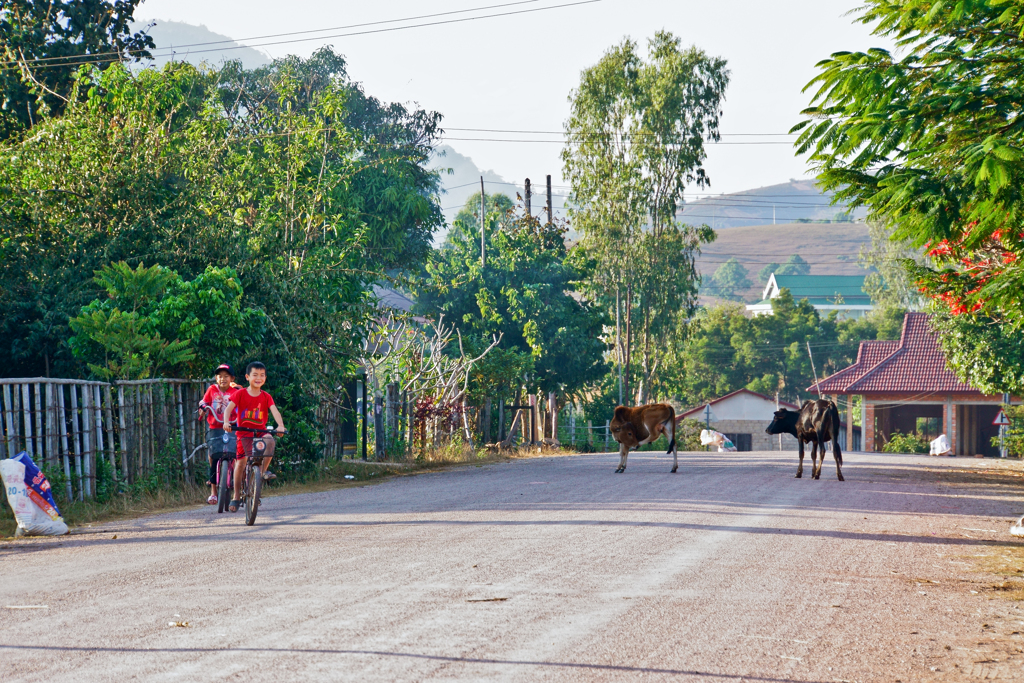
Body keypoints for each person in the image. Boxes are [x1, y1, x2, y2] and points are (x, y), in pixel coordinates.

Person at [223, 361, 286, 513]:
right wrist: (226, 422)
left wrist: (280, 426)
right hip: (243, 433)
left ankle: (262, 473)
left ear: (265, 378)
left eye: (262, 375)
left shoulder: (266, 396)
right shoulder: (240, 393)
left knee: (270, 440)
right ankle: (237, 496)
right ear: (247, 377)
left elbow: (275, 412)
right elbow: (228, 409)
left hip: (260, 432)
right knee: (241, 463)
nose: (259, 378)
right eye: (255, 375)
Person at [198, 364, 239, 504]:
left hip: (232, 427)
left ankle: (238, 482)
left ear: (232, 378)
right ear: (216, 378)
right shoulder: (211, 390)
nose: (223, 379)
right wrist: (202, 408)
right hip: (215, 427)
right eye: (220, 376)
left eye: (226, 376)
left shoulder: (236, 392)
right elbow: (204, 402)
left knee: (237, 453)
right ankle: (214, 491)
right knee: (213, 454)